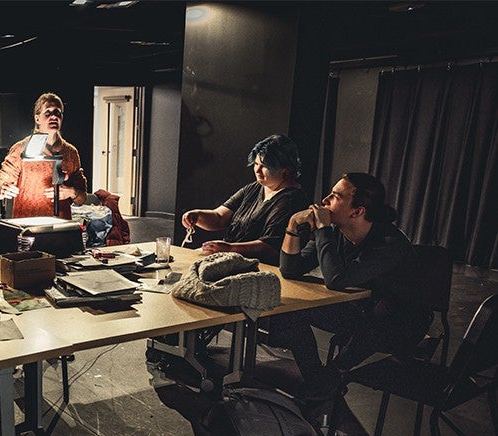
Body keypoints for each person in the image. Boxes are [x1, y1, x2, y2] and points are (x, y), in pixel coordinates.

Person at [273, 172, 433, 405]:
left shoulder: (390, 243)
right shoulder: (336, 234)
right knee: (289, 312)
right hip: (363, 313)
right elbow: (290, 270)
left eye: (335, 196)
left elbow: (336, 280)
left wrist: (322, 229)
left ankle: (333, 374)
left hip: (401, 323)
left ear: (357, 211)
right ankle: (320, 379)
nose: (325, 200)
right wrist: (292, 225)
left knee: (381, 314)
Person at [180, 134, 307, 265]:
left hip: (258, 266)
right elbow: (219, 217)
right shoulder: (255, 188)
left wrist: (229, 248)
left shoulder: (293, 199)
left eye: (265, 166)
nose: (257, 170)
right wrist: (197, 215)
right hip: (231, 258)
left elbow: (269, 247)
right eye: (256, 164)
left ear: (285, 170)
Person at [0, 92, 87, 219]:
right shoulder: (21, 149)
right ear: (37, 118)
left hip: (61, 224)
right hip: (27, 222)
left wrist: (72, 192)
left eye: (57, 112)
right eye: (48, 112)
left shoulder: (70, 153)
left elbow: (82, 198)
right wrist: (2, 190)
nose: (53, 116)